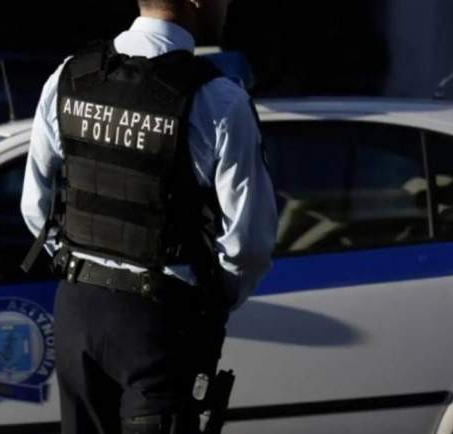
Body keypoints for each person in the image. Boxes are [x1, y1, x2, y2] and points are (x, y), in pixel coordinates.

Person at [20, 0, 277, 432]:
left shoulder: (69, 76)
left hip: (77, 309)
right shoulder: (219, 99)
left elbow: (35, 208)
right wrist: (211, 300)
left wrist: (82, 260)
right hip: (159, 321)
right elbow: (248, 242)